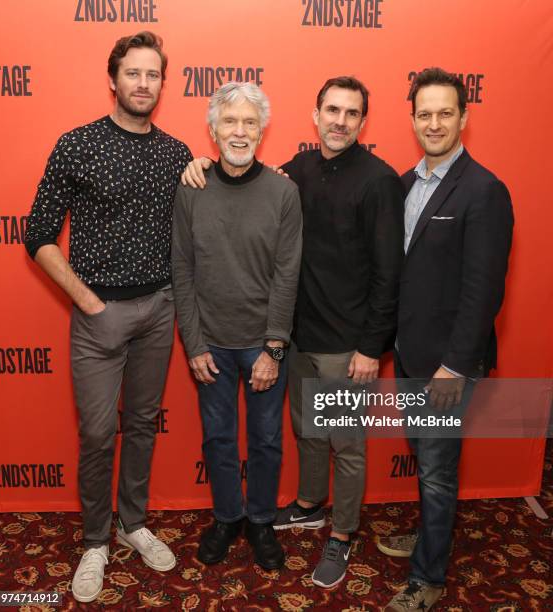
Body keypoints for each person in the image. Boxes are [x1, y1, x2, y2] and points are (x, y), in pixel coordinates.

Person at [181, 76, 404, 588]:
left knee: (346, 444)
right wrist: (194, 164)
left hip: (349, 345)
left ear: (363, 122)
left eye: (351, 113)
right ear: (315, 114)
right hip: (303, 338)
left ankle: (342, 536)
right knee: (307, 432)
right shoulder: (298, 170)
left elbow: (389, 273)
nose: (340, 121)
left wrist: (372, 346)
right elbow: (240, 182)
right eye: (332, 110)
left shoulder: (378, 180)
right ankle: (308, 504)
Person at [24, 31, 192, 603]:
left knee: (142, 424)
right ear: (113, 78)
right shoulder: (77, 144)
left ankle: (133, 522)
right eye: (133, 74)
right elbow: (38, 235)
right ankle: (96, 540)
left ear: (162, 84)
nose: (143, 84)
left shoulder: (177, 154)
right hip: (97, 314)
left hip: (159, 310)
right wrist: (87, 300)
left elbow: (219, 204)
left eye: (153, 75)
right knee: (98, 433)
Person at [379, 67, 514, 611]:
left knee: (435, 470)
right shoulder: (405, 185)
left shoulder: (484, 190)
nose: (434, 122)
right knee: (427, 459)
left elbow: (484, 291)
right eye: (424, 113)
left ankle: (428, 577)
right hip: (411, 355)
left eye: (445, 112)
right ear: (412, 119)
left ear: (464, 116)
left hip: (446, 367)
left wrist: (455, 368)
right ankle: (431, 536)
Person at [171, 82, 302, 570]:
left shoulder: (284, 192)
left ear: (263, 130)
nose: (240, 131)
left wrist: (274, 348)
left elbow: (288, 273)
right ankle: (227, 517)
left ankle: (262, 521)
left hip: (263, 344)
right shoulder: (191, 188)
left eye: (250, 122)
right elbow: (181, 269)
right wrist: (194, 343)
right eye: (230, 122)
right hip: (211, 346)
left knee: (267, 440)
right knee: (219, 438)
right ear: (213, 130)